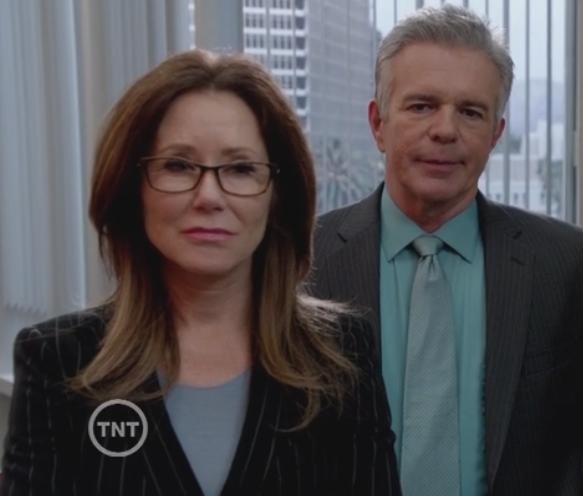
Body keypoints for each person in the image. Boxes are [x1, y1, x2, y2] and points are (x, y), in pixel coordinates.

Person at [0, 50, 399, 496]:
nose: (209, 196)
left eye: (241, 169)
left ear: (277, 196)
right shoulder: (57, 361)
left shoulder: (343, 354)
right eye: (178, 165)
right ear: (133, 189)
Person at [310, 5, 583, 496]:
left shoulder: (571, 267)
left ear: (495, 134)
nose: (445, 130)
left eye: (470, 112)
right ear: (378, 123)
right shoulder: (303, 261)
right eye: (421, 106)